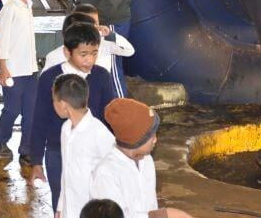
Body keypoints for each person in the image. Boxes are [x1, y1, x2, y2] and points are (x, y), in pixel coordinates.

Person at [30, 22, 116, 213]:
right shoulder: (50, 78)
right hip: (57, 152)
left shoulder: (101, 76)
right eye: (83, 54)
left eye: (94, 53)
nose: (89, 60)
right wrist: (36, 160)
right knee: (61, 199)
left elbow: (110, 114)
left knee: (93, 201)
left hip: (93, 152)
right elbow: (39, 119)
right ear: (67, 52)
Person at [90, 99, 193, 218]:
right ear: (136, 141)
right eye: (151, 136)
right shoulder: (106, 174)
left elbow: (150, 204)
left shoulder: (146, 160)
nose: (155, 139)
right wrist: (159, 215)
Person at [0, 0, 39, 161]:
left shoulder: (28, 5)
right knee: (12, 109)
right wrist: (3, 69)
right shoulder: (9, 9)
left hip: (31, 68)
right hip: (14, 70)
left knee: (31, 111)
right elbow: (2, 42)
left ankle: (26, 150)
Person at [54, 74, 115, 218]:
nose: (53, 103)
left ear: (63, 105)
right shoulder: (65, 129)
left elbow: (116, 174)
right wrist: (61, 206)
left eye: (54, 100)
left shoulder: (100, 133)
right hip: (70, 210)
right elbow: (66, 173)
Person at [44, 4, 134, 97]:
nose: (96, 27)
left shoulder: (105, 44)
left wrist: (111, 35)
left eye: (97, 23)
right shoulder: (54, 57)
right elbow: (46, 86)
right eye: (91, 24)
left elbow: (129, 51)